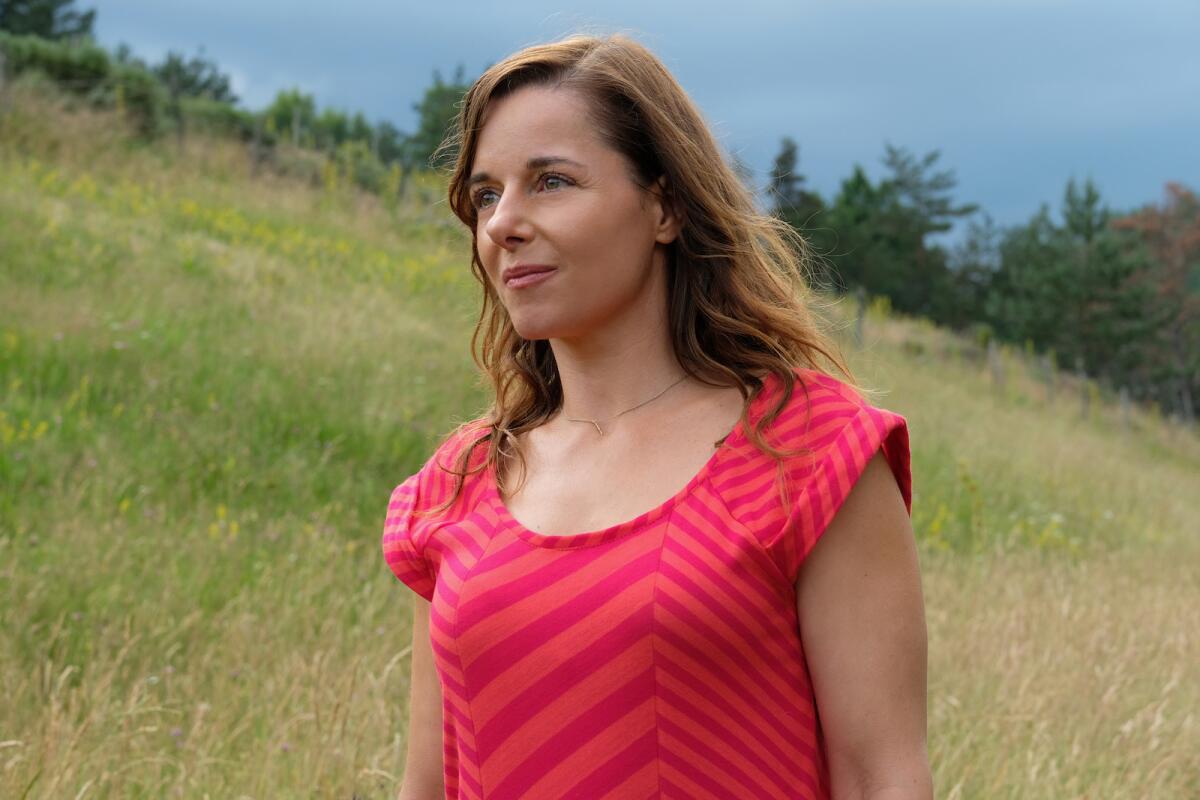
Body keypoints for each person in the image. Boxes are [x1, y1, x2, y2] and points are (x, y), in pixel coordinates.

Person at [382, 32, 931, 800]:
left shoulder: (809, 451)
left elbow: (882, 779)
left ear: (665, 205)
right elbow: (426, 788)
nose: (503, 222)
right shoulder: (458, 482)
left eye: (551, 182)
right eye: (485, 194)